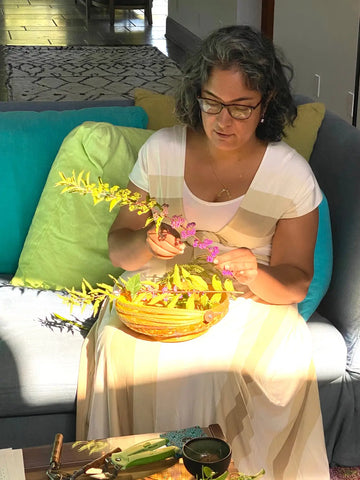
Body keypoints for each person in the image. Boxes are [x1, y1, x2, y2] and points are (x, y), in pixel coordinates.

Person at [76, 25, 330, 479]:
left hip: (251, 303)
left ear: (266, 103)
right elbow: (120, 248)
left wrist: (253, 271)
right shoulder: (162, 151)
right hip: (165, 298)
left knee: (224, 364)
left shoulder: (290, 174)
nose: (222, 120)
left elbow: (295, 281)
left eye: (240, 107)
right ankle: (142, 470)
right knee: (117, 344)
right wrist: (147, 244)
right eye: (211, 102)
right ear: (197, 94)